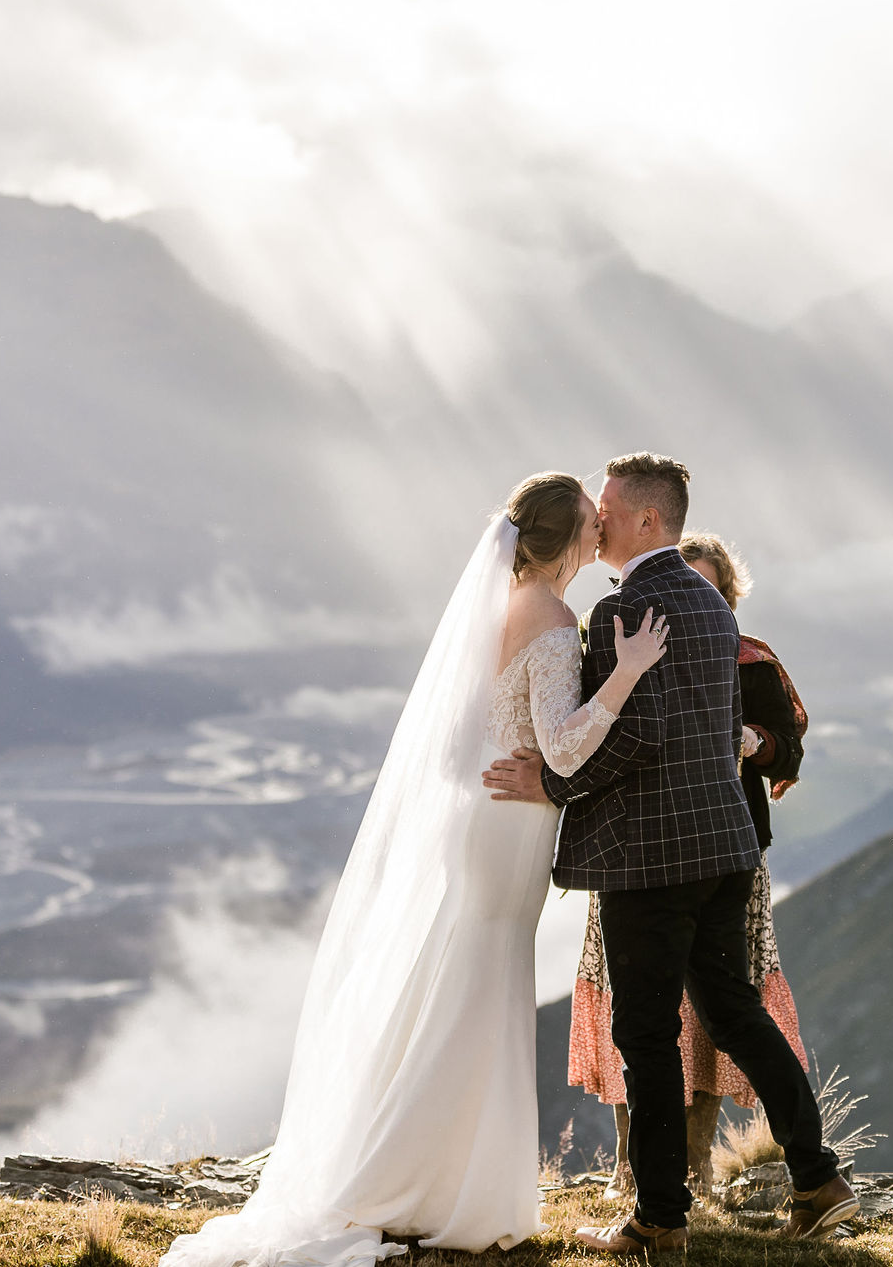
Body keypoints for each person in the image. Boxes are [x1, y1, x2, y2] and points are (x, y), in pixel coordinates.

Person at [160, 472, 668, 1267]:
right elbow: (563, 744)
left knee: (464, 982)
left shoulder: (499, 611)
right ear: (564, 542)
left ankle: (429, 1171)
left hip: (486, 820)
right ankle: (442, 1184)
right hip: (512, 827)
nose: (595, 537)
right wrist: (629, 669)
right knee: (483, 985)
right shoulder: (552, 615)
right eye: (585, 526)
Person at [483, 453, 856, 1254]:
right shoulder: (710, 605)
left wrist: (551, 783)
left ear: (649, 519)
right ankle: (819, 1180)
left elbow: (634, 733)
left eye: (612, 505)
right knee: (735, 1012)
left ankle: (657, 1220)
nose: (602, 518)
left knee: (646, 1033)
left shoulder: (626, 610)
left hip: (650, 859)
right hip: (724, 847)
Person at [566, 531, 810, 1202]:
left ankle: (694, 1166)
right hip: (640, 852)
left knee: (711, 1018)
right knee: (639, 1011)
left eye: (705, 590)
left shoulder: (749, 663)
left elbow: (788, 751)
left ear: (724, 599)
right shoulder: (632, 647)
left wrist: (755, 741)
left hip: (729, 855)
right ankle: (634, 1166)